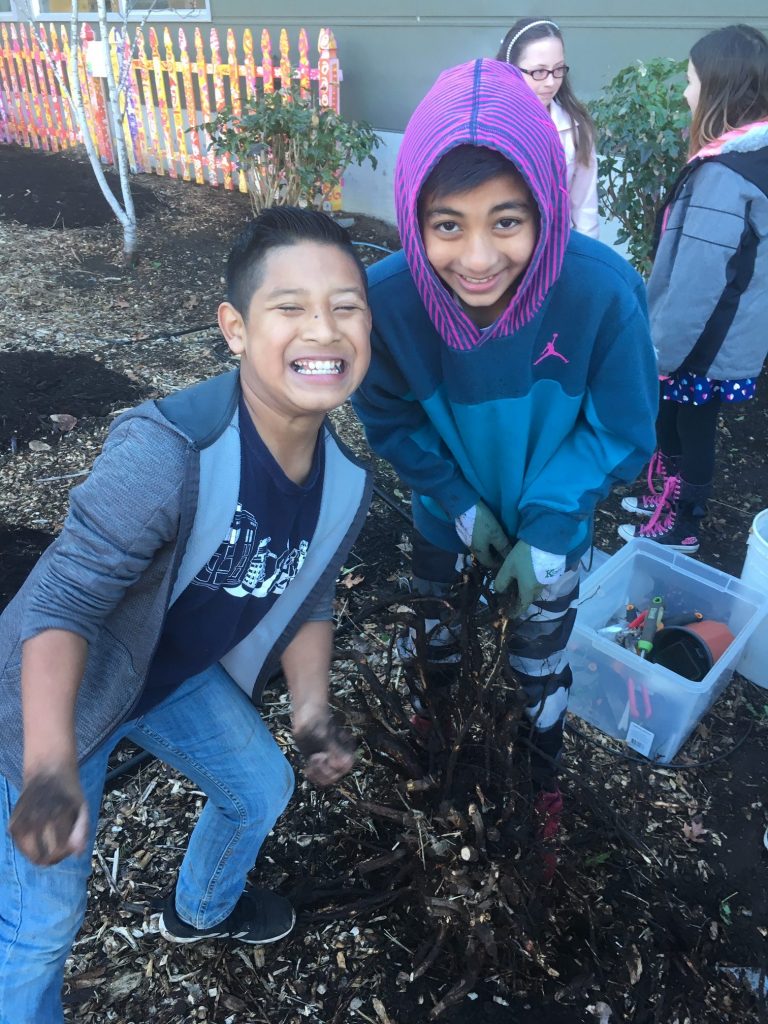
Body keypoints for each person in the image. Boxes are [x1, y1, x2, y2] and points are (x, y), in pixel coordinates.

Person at [0, 207, 373, 1024]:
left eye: (347, 306)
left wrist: (311, 713)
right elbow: (61, 603)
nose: (325, 328)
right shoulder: (168, 453)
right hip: (56, 701)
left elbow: (308, 593)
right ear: (235, 330)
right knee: (40, 928)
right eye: (291, 307)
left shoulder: (345, 482)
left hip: (164, 672)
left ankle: (202, 908)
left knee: (261, 785)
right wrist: (49, 768)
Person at [351, 59, 657, 846]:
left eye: (508, 222)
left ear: (547, 210)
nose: (478, 258)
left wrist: (549, 531)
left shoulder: (601, 293)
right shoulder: (387, 302)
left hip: (553, 530)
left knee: (536, 664)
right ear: (414, 216)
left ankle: (538, 788)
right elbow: (388, 418)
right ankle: (430, 764)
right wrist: (456, 503)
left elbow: (619, 431)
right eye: (447, 224)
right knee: (436, 647)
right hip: (442, 520)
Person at [619, 24, 768, 553]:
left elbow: (698, 281)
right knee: (679, 415)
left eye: (691, 81)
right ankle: (670, 494)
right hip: (723, 333)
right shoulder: (750, 159)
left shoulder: (725, 176)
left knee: (693, 421)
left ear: (720, 89)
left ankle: (684, 522)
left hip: (705, 339)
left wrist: (660, 349)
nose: (685, 93)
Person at [497, 16, 599, 238]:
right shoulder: (489, 125)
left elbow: (585, 210)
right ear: (510, 69)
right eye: (539, 72)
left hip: (558, 250)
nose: (551, 82)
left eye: (558, 69)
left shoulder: (576, 128)